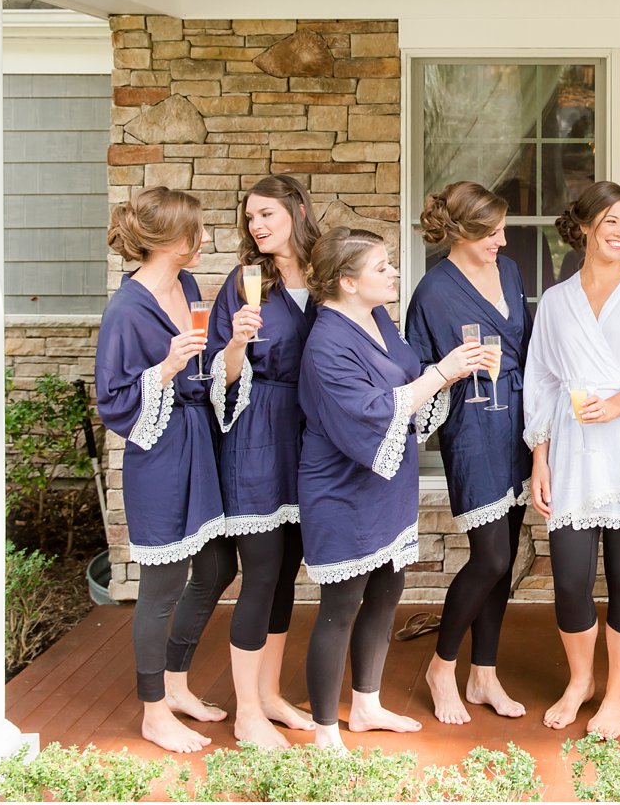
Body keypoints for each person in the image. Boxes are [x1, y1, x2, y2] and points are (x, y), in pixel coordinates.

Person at [297, 226, 481, 750]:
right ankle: (324, 729)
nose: (394, 273)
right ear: (348, 281)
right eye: (382, 267)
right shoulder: (326, 343)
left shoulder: (377, 317)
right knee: (341, 603)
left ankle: (368, 703)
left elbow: (405, 376)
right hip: (340, 485)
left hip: (386, 479)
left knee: (386, 588)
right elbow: (376, 409)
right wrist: (443, 373)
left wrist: (444, 372)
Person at [523, 181, 620, 740]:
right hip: (572, 447)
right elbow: (540, 379)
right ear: (586, 226)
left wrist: (617, 403)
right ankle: (580, 680)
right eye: (612, 222)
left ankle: (616, 694)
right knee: (568, 578)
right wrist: (540, 458)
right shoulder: (557, 300)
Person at [96, 187, 236, 753]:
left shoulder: (187, 285)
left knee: (217, 565)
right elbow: (114, 398)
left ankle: (175, 682)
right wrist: (168, 366)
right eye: (197, 232)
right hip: (157, 452)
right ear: (171, 241)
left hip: (199, 438)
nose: (204, 240)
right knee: (161, 585)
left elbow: (205, 362)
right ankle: (153, 710)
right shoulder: (126, 309)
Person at [406, 182, 533, 725]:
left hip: (519, 421)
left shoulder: (509, 273)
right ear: (459, 232)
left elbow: (525, 347)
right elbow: (416, 372)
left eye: (502, 229)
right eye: (490, 232)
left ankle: (484, 674)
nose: (501, 241)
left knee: (505, 561)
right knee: (491, 558)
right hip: (473, 425)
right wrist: (453, 368)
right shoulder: (432, 292)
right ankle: (442, 665)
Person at [203, 174, 321, 748]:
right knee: (260, 575)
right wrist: (234, 343)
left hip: (311, 442)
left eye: (268, 213)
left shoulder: (326, 275)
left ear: (298, 211)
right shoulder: (245, 282)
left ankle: (270, 694)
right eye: (251, 217)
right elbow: (218, 378)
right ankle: (246, 711)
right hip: (255, 438)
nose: (257, 225)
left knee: (287, 576)